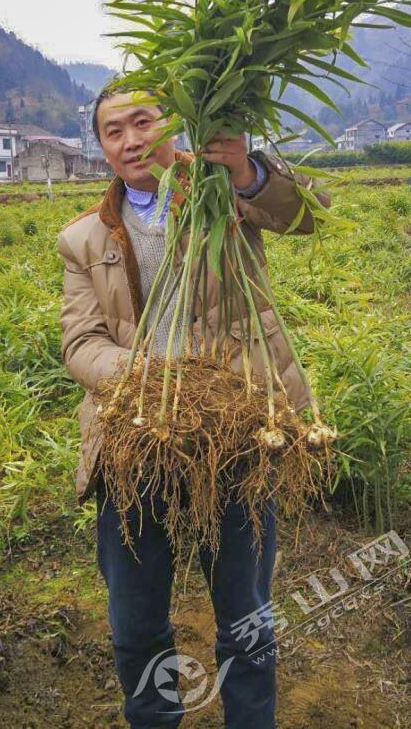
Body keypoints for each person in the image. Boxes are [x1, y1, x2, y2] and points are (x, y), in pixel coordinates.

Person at [56, 86, 328, 729]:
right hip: (138, 433)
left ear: (172, 127)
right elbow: (81, 343)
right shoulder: (84, 239)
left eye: (143, 122)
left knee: (245, 614)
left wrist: (244, 169)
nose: (131, 141)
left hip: (234, 429)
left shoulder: (219, 195)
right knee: (135, 620)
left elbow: (307, 211)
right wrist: (143, 375)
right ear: (101, 147)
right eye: (113, 131)